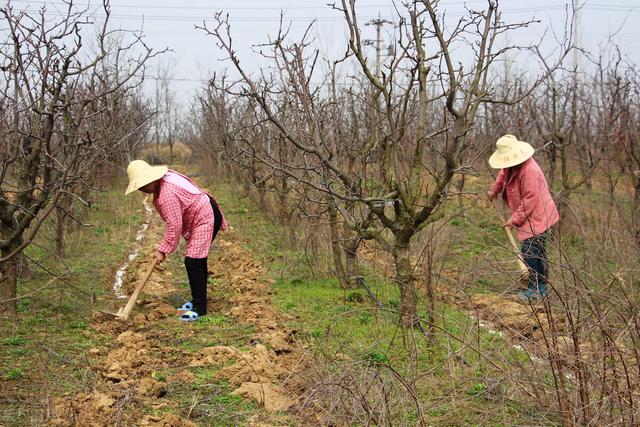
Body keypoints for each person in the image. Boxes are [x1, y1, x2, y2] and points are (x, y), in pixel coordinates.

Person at [125, 160, 227, 321]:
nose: (143, 189)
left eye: (144, 185)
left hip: (205, 216)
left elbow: (175, 225)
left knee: (194, 261)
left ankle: (200, 308)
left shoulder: (166, 194)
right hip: (203, 212)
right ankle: (197, 300)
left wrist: (162, 250)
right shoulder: (165, 179)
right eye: (140, 187)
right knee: (195, 261)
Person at [486, 134, 559, 301]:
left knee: (530, 252)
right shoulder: (510, 165)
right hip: (530, 214)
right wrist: (494, 190)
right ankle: (541, 286)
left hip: (539, 214)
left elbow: (530, 199)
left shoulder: (530, 170)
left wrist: (513, 220)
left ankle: (536, 288)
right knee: (536, 251)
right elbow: (502, 176)